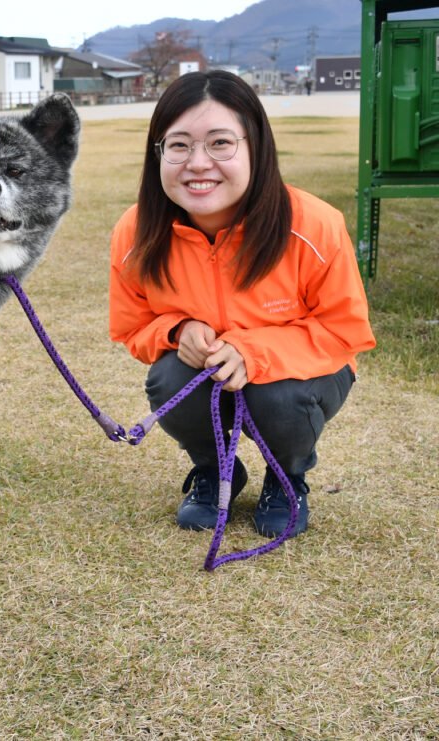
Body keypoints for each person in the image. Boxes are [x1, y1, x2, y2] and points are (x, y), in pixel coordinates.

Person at [108, 71, 375, 538]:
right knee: (171, 374)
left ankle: (285, 476)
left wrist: (255, 352)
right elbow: (132, 327)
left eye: (220, 144)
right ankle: (214, 472)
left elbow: (343, 330)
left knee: (276, 393)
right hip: (208, 373)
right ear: (157, 155)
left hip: (306, 373)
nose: (197, 163)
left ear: (255, 146)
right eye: (178, 145)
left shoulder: (314, 224)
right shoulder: (135, 233)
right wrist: (176, 331)